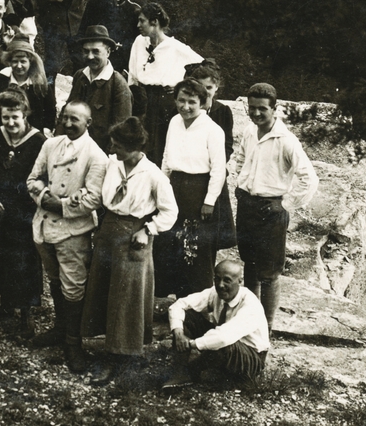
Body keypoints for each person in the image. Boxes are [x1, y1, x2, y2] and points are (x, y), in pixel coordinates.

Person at [81, 117, 177, 380]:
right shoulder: (112, 164)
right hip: (109, 229)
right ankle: (106, 348)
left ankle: (121, 356)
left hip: (135, 236)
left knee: (126, 298)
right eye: (112, 146)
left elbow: (170, 212)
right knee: (105, 291)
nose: (113, 151)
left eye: (118, 147)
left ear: (134, 147)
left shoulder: (153, 175)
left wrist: (148, 230)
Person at [27, 101, 107, 373]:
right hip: (44, 226)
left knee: (73, 285)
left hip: (73, 232)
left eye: (76, 119)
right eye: (65, 118)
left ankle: (73, 343)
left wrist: (61, 206)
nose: (69, 124)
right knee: (54, 279)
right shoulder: (51, 145)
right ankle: (60, 329)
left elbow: (95, 197)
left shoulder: (97, 156)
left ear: (88, 123)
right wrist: (42, 197)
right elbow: (33, 178)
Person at [233, 83, 318, 327]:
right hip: (247, 204)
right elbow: (240, 157)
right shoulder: (251, 130)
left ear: (275, 109)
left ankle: (266, 327)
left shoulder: (286, 140)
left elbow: (309, 178)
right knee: (249, 263)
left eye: (262, 109)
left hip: (271, 210)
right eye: (252, 108)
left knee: (268, 273)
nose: (256, 114)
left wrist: (286, 204)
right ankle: (249, 320)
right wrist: (242, 183)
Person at [0, 90, 48, 336]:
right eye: (6, 118)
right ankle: (5, 305)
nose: (11, 123)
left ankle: (25, 310)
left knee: (23, 260)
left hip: (24, 210)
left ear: (25, 115)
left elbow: (43, 177)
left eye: (15, 117)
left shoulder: (40, 141)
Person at [155, 77, 228, 299]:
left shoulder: (213, 130)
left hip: (199, 191)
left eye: (191, 102)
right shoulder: (174, 122)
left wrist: (209, 201)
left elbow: (218, 169)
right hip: (174, 187)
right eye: (181, 100)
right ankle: (169, 295)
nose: (185, 107)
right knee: (169, 241)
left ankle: (196, 299)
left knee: (195, 247)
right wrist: (160, 186)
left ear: (203, 103)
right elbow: (167, 158)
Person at [168, 255, 270, 383]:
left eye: (227, 280)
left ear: (240, 281)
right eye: (217, 279)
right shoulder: (215, 293)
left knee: (223, 344)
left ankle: (192, 371)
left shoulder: (250, 305)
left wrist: (191, 344)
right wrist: (178, 333)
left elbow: (223, 337)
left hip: (250, 355)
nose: (220, 285)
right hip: (226, 342)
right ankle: (180, 371)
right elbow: (179, 305)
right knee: (188, 316)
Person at [128, 3, 202, 166]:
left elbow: (203, 65)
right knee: (139, 148)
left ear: (154, 22)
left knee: (161, 150)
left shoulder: (175, 47)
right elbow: (133, 75)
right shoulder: (139, 42)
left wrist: (181, 87)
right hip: (142, 102)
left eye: (142, 21)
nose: (138, 25)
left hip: (165, 106)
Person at [185, 59, 238, 255]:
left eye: (209, 87)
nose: (205, 92)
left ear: (216, 88)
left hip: (213, 174)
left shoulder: (222, 111)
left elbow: (227, 146)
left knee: (210, 229)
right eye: (201, 87)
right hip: (191, 174)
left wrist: (213, 162)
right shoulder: (186, 110)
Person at [66, 25, 133, 152]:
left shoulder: (118, 84)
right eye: (86, 51)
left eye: (96, 51)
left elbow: (120, 132)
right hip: (74, 149)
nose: (90, 56)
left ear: (108, 52)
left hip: (100, 154)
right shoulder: (80, 76)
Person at [0, 36, 57, 132]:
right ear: (9, 62)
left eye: (23, 61)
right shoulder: (1, 80)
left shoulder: (39, 84)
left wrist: (47, 129)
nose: (19, 66)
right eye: (15, 61)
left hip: (33, 134)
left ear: (30, 62)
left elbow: (50, 110)